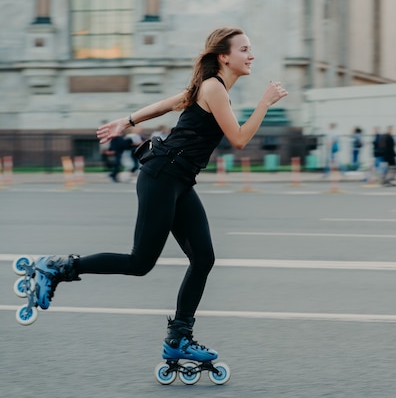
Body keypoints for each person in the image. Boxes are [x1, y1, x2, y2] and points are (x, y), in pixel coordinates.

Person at [28, 27, 288, 364]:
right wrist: (264, 103)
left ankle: (179, 337)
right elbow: (238, 139)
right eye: (245, 49)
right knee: (140, 262)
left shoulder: (207, 87)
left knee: (203, 258)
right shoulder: (214, 88)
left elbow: (169, 104)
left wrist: (128, 119)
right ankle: (57, 267)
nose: (251, 55)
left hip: (176, 178)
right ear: (224, 56)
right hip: (163, 175)